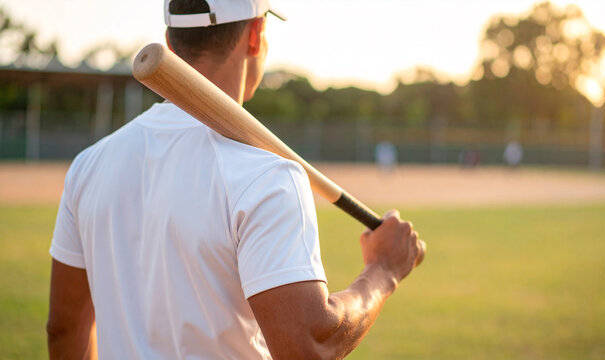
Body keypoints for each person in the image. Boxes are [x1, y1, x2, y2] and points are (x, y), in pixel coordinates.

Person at [46, 0, 426, 358]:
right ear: (257, 34)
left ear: (170, 41)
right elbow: (309, 345)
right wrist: (383, 271)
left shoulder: (89, 165)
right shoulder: (268, 175)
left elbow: (64, 330)